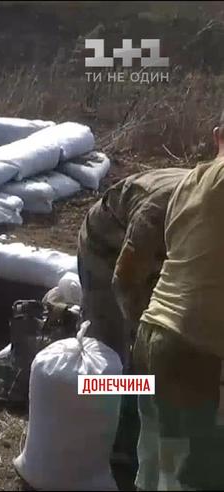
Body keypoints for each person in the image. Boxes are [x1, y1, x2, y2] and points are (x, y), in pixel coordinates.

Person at [132, 114, 224, 490]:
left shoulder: (188, 183)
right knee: (191, 474)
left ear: (217, 136)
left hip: (150, 335)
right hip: (190, 351)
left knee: (154, 460)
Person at [77, 167, 188, 365]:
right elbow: (125, 280)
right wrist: (144, 335)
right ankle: (112, 383)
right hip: (105, 244)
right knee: (109, 345)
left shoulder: (210, 206)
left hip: (159, 247)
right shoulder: (157, 212)